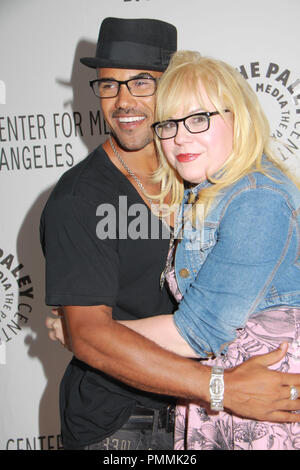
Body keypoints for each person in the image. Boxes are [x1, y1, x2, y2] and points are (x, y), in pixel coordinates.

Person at [42, 19, 300, 451]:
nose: (123, 101)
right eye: (109, 85)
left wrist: (220, 390)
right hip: (122, 421)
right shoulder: (80, 199)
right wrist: (220, 388)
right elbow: (91, 334)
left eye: (142, 82)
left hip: (215, 406)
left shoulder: (207, 181)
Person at [117, 50, 300, 450]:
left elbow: (196, 334)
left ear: (241, 118)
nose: (181, 137)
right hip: (230, 401)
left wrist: (92, 336)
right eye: (168, 124)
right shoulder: (209, 193)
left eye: (199, 119)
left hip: (267, 416)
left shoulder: (257, 196)